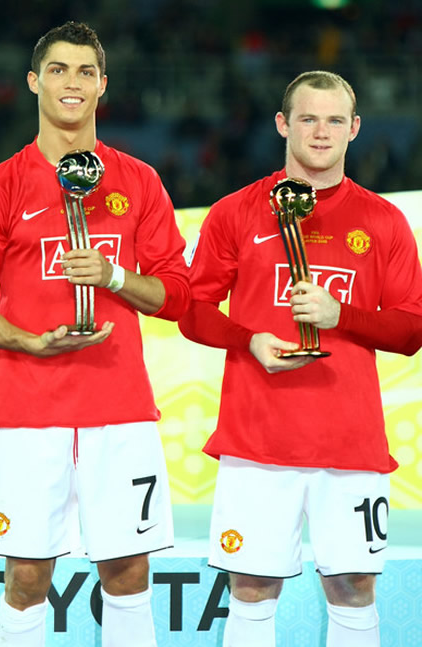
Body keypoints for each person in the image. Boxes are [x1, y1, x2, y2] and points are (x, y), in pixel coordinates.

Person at [0, 21, 190, 647]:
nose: (71, 83)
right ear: (34, 81)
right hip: (29, 414)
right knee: (26, 577)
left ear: (103, 85)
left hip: (119, 412)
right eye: (58, 70)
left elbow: (178, 295)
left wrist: (113, 275)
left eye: (85, 72)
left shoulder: (139, 182)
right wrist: (25, 340)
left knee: (130, 573)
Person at [178, 70, 422, 647]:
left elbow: (412, 329)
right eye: (308, 118)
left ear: (355, 128)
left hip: (350, 444)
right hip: (258, 441)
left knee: (355, 591)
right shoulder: (235, 212)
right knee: (253, 593)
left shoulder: (383, 220)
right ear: (283, 124)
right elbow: (193, 311)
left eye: (335, 119)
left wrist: (344, 318)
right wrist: (249, 339)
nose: (321, 131)